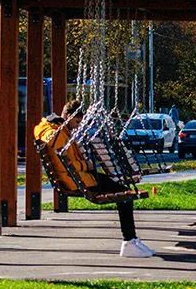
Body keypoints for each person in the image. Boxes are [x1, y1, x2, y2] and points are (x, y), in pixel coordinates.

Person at [34, 100, 155, 259]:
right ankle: (129, 241)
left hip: (83, 178)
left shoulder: (61, 130)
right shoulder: (53, 130)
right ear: (68, 116)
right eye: (77, 121)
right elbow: (52, 140)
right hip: (79, 181)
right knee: (125, 194)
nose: (78, 126)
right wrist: (86, 164)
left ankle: (132, 240)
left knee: (123, 189)